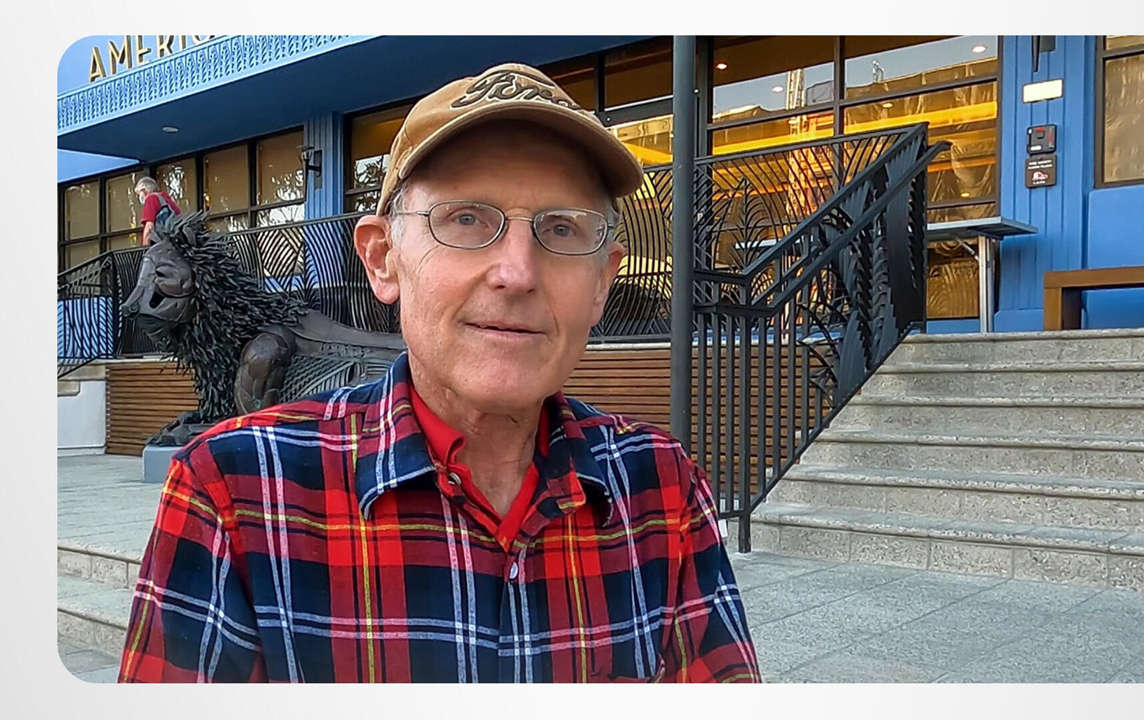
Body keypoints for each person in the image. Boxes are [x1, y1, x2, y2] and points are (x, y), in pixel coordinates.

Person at [118, 62, 760, 683]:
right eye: (466, 219)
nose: (518, 273)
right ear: (383, 259)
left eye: (562, 229)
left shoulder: (663, 490)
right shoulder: (235, 492)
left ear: (601, 283)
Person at [134, 177, 181, 246]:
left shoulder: (151, 199)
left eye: (139, 194)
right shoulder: (169, 201)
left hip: (161, 246)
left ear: (144, 190)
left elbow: (149, 227)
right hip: (174, 245)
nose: (139, 197)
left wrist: (145, 248)